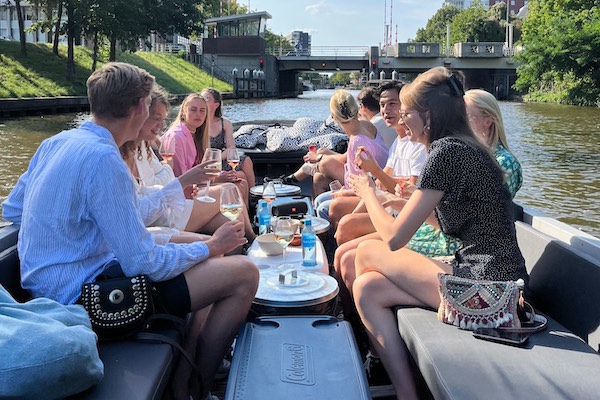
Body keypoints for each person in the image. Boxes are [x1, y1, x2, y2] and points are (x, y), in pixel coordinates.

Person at [1, 62, 259, 400]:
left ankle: (188, 367)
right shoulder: (104, 160)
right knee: (243, 273)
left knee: (200, 250)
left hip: (46, 284)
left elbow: (14, 209)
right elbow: (143, 264)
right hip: (82, 299)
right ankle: (193, 389)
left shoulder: (57, 142)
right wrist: (211, 248)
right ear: (139, 107)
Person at [347, 67, 528, 399]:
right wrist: (402, 203)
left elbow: (393, 239)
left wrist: (368, 191)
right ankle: (407, 391)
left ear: (428, 115)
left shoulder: (445, 153)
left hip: (490, 291)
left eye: (408, 112)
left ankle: (395, 381)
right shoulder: (465, 148)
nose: (403, 120)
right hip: (495, 282)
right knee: (367, 288)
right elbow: (450, 220)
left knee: (366, 253)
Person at [122, 86, 255, 242]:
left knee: (231, 220)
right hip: (168, 211)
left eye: (202, 111)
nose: (160, 125)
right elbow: (171, 178)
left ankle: (248, 247)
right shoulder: (176, 136)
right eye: (156, 118)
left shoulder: (144, 147)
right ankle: (254, 239)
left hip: (173, 201)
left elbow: (167, 178)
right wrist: (177, 180)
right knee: (231, 190)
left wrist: (173, 178)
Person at [312, 89, 389, 221]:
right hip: (377, 181)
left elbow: (362, 185)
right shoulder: (366, 125)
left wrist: (342, 193)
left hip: (374, 191)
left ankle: (331, 238)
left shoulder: (357, 142)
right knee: (320, 187)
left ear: (333, 117)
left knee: (322, 206)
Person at [162, 92, 250, 205]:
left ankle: (250, 221)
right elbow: (181, 176)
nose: (198, 114)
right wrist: (215, 179)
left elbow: (198, 167)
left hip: (196, 184)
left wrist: (221, 175)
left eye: (202, 110)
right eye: (193, 109)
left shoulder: (196, 135)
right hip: (184, 193)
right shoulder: (177, 137)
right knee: (234, 189)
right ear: (184, 111)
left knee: (241, 183)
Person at [202, 87, 256, 187]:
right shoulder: (199, 123)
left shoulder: (225, 123)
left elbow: (231, 147)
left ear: (216, 104)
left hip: (221, 158)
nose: (203, 101)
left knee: (246, 160)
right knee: (241, 175)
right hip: (205, 161)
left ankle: (253, 195)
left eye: (207, 99)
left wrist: (218, 157)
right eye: (202, 98)